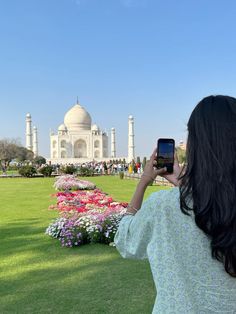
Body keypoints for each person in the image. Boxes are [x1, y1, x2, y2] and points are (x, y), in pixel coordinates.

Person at [114, 95, 236, 313]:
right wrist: (184, 185)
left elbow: (126, 241)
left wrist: (144, 182)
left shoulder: (163, 206)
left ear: (195, 144)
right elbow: (213, 205)